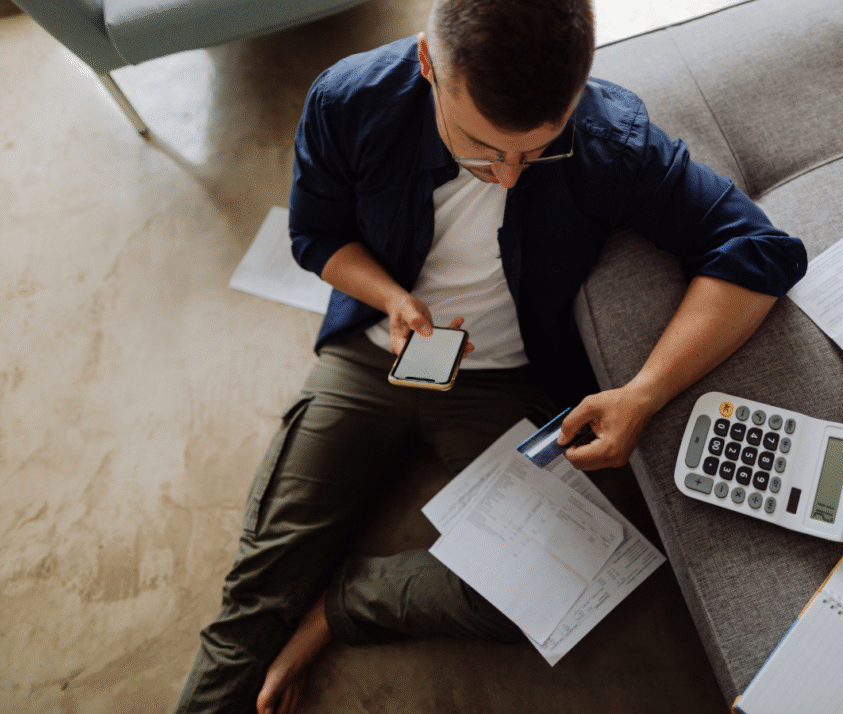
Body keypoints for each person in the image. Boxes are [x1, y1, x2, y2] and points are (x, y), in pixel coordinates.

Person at [175, 0, 807, 712]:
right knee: (255, 600)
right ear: (427, 65)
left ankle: (342, 602)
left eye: (538, 148)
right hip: (370, 356)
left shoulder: (609, 140)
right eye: (479, 146)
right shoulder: (349, 99)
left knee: (562, 584)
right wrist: (391, 299)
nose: (507, 175)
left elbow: (758, 251)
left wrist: (644, 392)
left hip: (507, 385)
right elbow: (315, 237)